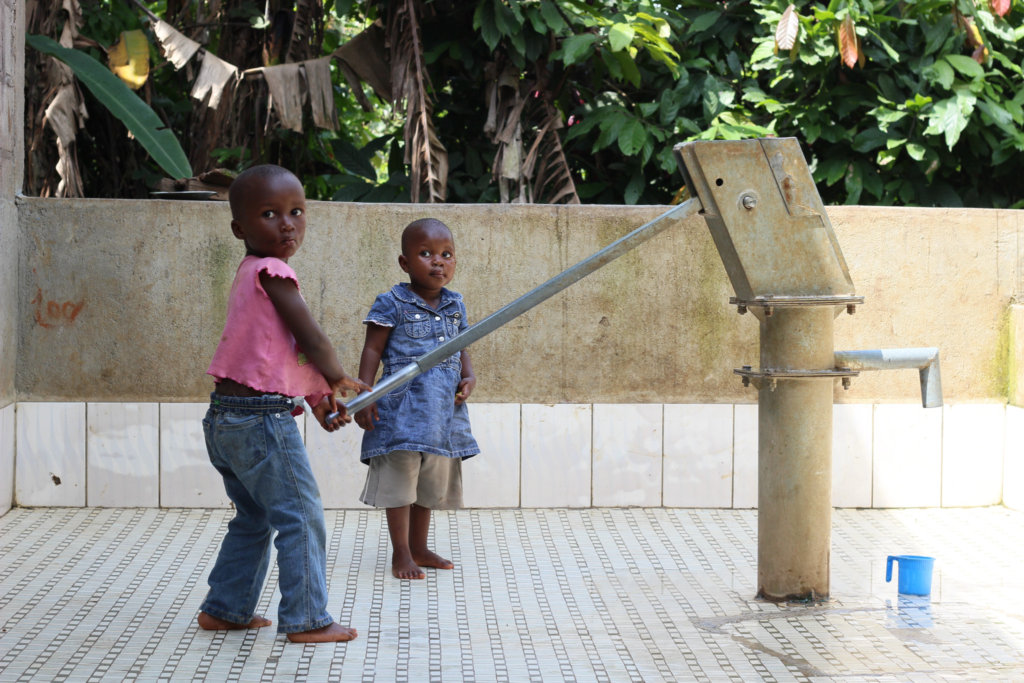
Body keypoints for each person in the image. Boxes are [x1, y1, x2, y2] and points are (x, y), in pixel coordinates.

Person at [197, 164, 369, 643]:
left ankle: (226, 610)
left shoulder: (250, 273)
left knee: (253, 517)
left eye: (296, 212)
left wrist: (316, 397)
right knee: (300, 515)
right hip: (259, 422)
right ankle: (307, 618)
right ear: (240, 229)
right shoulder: (274, 272)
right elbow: (307, 335)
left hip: (226, 418)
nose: (287, 224)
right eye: (270, 214)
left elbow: (272, 353)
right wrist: (335, 375)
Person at [354, 217, 480, 580]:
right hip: (401, 411)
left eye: (446, 254)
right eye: (426, 254)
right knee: (399, 485)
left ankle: (421, 547)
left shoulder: (456, 304)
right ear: (405, 263)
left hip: (443, 413)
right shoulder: (391, 302)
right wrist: (366, 394)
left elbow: (461, 346)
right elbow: (372, 350)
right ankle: (402, 553)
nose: (438, 261)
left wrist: (468, 376)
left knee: (429, 486)